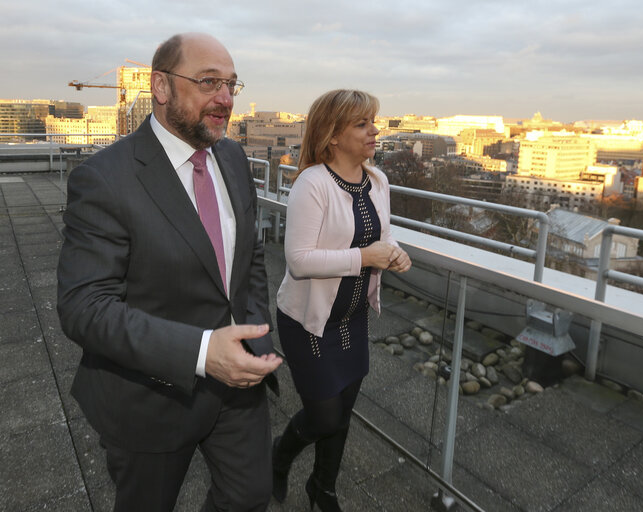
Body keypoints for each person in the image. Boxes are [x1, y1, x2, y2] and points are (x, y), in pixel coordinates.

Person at [56, 33, 282, 512]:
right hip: (150, 398)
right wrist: (202, 352)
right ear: (161, 86)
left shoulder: (235, 158)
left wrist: (253, 333)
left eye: (231, 85)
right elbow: (84, 308)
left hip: (238, 389)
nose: (225, 99)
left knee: (249, 497)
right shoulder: (104, 179)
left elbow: (251, 257)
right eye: (208, 82)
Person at [271, 89, 411, 511]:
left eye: (374, 121)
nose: (375, 130)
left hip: (352, 318)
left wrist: (394, 252)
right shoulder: (313, 183)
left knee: (343, 412)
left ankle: (323, 488)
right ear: (332, 134)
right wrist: (365, 258)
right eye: (362, 124)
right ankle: (278, 457)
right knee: (324, 417)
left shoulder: (378, 181)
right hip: (309, 321)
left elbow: (380, 236)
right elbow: (298, 260)